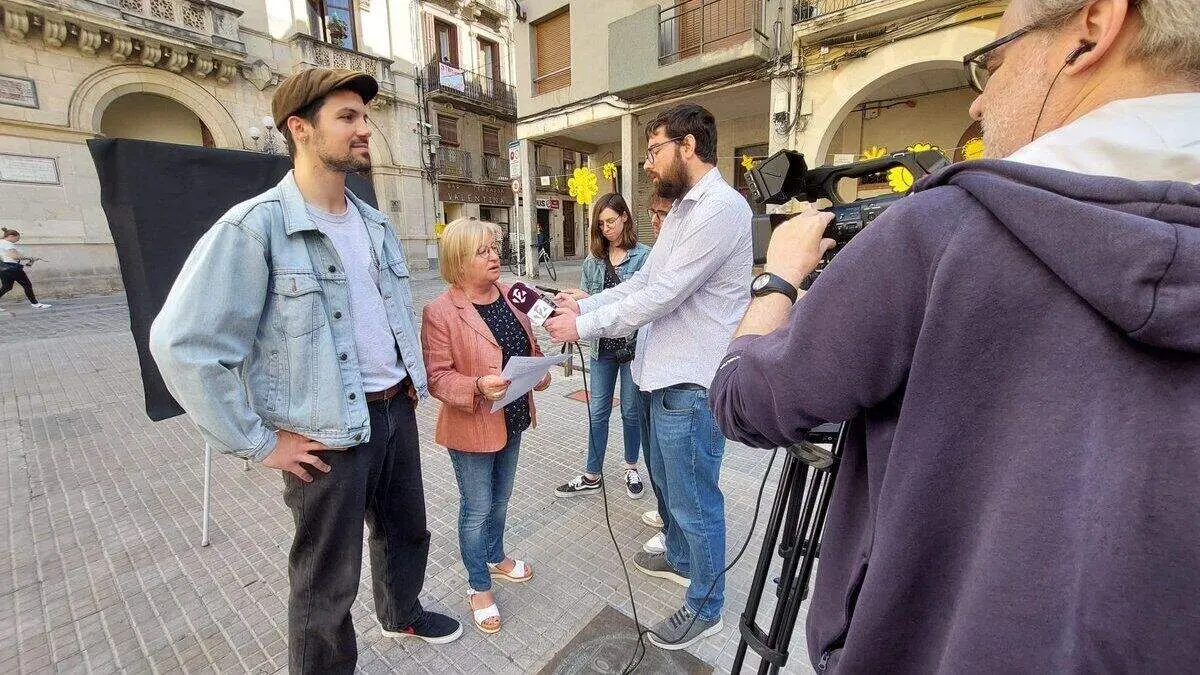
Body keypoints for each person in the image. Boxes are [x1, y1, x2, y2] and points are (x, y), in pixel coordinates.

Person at [709, 0, 1200, 670]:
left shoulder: (948, 232)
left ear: (1093, 28)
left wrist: (780, 279)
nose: (977, 105)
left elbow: (746, 400)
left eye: (991, 65)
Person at [150, 68, 461, 674]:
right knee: (326, 583)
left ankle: (401, 613)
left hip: (394, 407)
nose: (364, 129)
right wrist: (259, 441)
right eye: (347, 118)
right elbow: (182, 344)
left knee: (407, 534)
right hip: (326, 436)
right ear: (299, 129)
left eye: (364, 117)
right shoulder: (254, 227)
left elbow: (385, 312)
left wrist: (414, 379)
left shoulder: (372, 222)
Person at [545, 104, 753, 650]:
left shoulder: (720, 210)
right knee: (666, 483)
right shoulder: (685, 211)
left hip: (692, 382)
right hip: (663, 375)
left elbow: (663, 295)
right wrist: (590, 299)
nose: (648, 164)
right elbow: (645, 282)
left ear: (687, 145)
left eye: (654, 150)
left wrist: (584, 325)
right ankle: (681, 558)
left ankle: (707, 606)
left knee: (694, 499)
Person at [420, 217, 551, 635]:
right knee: (476, 509)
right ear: (458, 261)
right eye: (483, 251)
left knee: (501, 500)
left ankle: (495, 557)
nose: (495, 255)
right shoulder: (440, 311)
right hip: (472, 425)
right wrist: (476, 385)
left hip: (512, 417)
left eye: (495, 247)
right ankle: (478, 585)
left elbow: (530, 345)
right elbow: (436, 376)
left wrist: (541, 370)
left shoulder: (513, 294)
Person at [554, 193, 651, 500]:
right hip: (601, 348)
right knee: (598, 411)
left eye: (612, 221)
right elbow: (590, 301)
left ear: (625, 217)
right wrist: (577, 302)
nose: (607, 228)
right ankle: (592, 473)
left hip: (632, 347)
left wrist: (587, 302)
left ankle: (631, 467)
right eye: (601, 223)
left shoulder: (644, 256)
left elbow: (639, 301)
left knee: (631, 412)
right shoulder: (592, 260)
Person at [0, 228, 51, 309]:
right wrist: (29, 257)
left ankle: (35, 303)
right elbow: (14, 256)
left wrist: (31, 261)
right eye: (16, 239)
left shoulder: (1, 242)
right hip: (13, 268)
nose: (17, 241)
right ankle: (35, 304)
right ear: (11, 236)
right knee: (27, 285)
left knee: (7, 287)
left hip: (3, 268)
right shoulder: (8, 244)